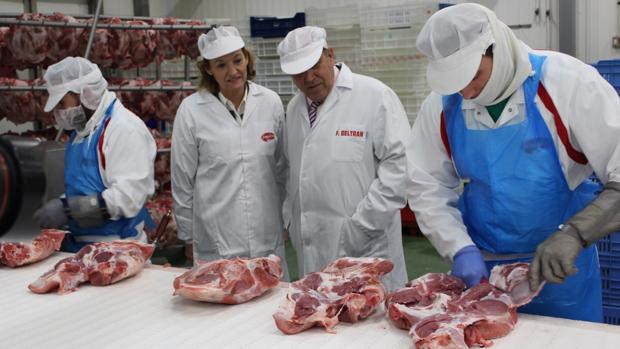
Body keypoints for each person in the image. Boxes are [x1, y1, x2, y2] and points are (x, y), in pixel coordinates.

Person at [406, 3, 620, 323]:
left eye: (474, 75)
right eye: (455, 83)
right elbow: (427, 185)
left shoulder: (567, 82)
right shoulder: (442, 104)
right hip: (482, 274)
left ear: (498, 50)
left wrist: (575, 234)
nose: (467, 91)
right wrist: (459, 247)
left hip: (563, 271)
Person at [277, 26, 409, 290]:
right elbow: (293, 172)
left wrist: (361, 227)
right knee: (319, 317)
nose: (309, 78)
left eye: (314, 66)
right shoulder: (293, 109)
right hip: (313, 248)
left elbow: (400, 168)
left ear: (330, 55)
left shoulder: (374, 96)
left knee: (371, 322)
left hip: (367, 245)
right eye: (298, 73)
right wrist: (292, 222)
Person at [171, 26, 289, 279]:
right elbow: (182, 181)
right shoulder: (191, 111)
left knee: (269, 309)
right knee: (222, 313)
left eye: (238, 60)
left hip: (267, 235)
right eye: (221, 65)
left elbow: (282, 169)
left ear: (247, 58)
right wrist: (188, 235)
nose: (233, 71)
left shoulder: (270, 102)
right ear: (209, 70)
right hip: (216, 239)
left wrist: (286, 218)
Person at [34, 56, 157, 252]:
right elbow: (86, 187)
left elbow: (128, 198)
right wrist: (64, 203)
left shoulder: (123, 128)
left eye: (62, 103)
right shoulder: (81, 131)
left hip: (118, 249)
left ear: (84, 94)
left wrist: (68, 209)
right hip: (84, 246)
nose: (59, 112)